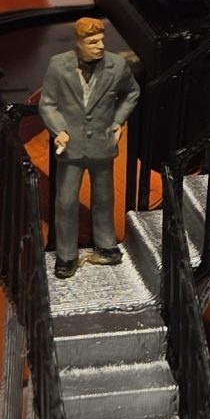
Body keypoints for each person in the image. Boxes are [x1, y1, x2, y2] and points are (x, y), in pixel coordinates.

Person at [37, 16, 139, 278]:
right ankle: (66, 256)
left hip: (102, 145)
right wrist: (59, 129)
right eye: (93, 42)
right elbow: (47, 104)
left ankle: (107, 247)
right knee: (66, 201)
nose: (100, 46)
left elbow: (132, 92)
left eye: (101, 40)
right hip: (71, 148)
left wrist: (118, 122)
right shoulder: (58, 65)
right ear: (79, 42)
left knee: (104, 199)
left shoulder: (117, 65)